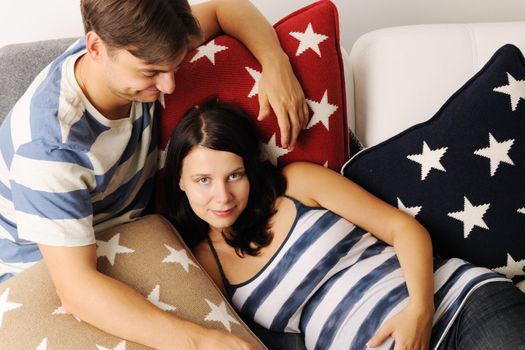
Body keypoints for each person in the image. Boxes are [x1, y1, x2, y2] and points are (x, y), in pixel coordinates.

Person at [0, 0, 309, 349]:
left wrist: (275, 61)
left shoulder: (137, 42)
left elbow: (227, 7)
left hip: (127, 238)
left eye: (173, 66)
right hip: (43, 273)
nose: (170, 85)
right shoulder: (49, 150)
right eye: (151, 72)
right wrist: (202, 342)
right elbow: (76, 290)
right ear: (95, 48)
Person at [164, 98, 525, 350]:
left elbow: (404, 230)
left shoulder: (296, 185)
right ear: (180, 180)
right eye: (203, 180)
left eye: (234, 175)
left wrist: (419, 312)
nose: (222, 197)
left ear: (251, 169)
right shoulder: (204, 265)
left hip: (459, 306)